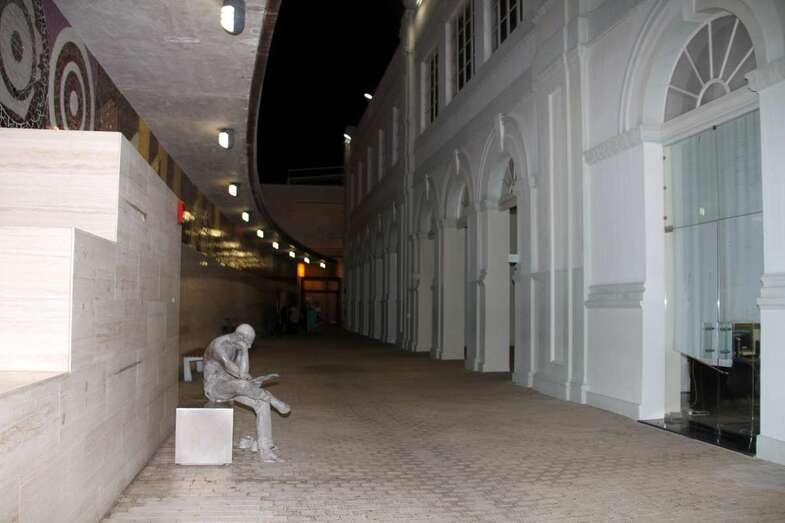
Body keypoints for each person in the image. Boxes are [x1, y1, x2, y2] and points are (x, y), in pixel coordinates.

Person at [203, 324, 290, 462]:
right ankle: (272, 399)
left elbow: (243, 375)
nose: (249, 347)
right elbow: (241, 374)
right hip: (215, 388)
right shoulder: (218, 346)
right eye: (248, 343)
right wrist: (244, 351)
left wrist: (254, 381)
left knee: (261, 403)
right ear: (240, 337)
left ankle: (265, 448)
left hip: (232, 385)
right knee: (243, 385)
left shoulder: (236, 345)